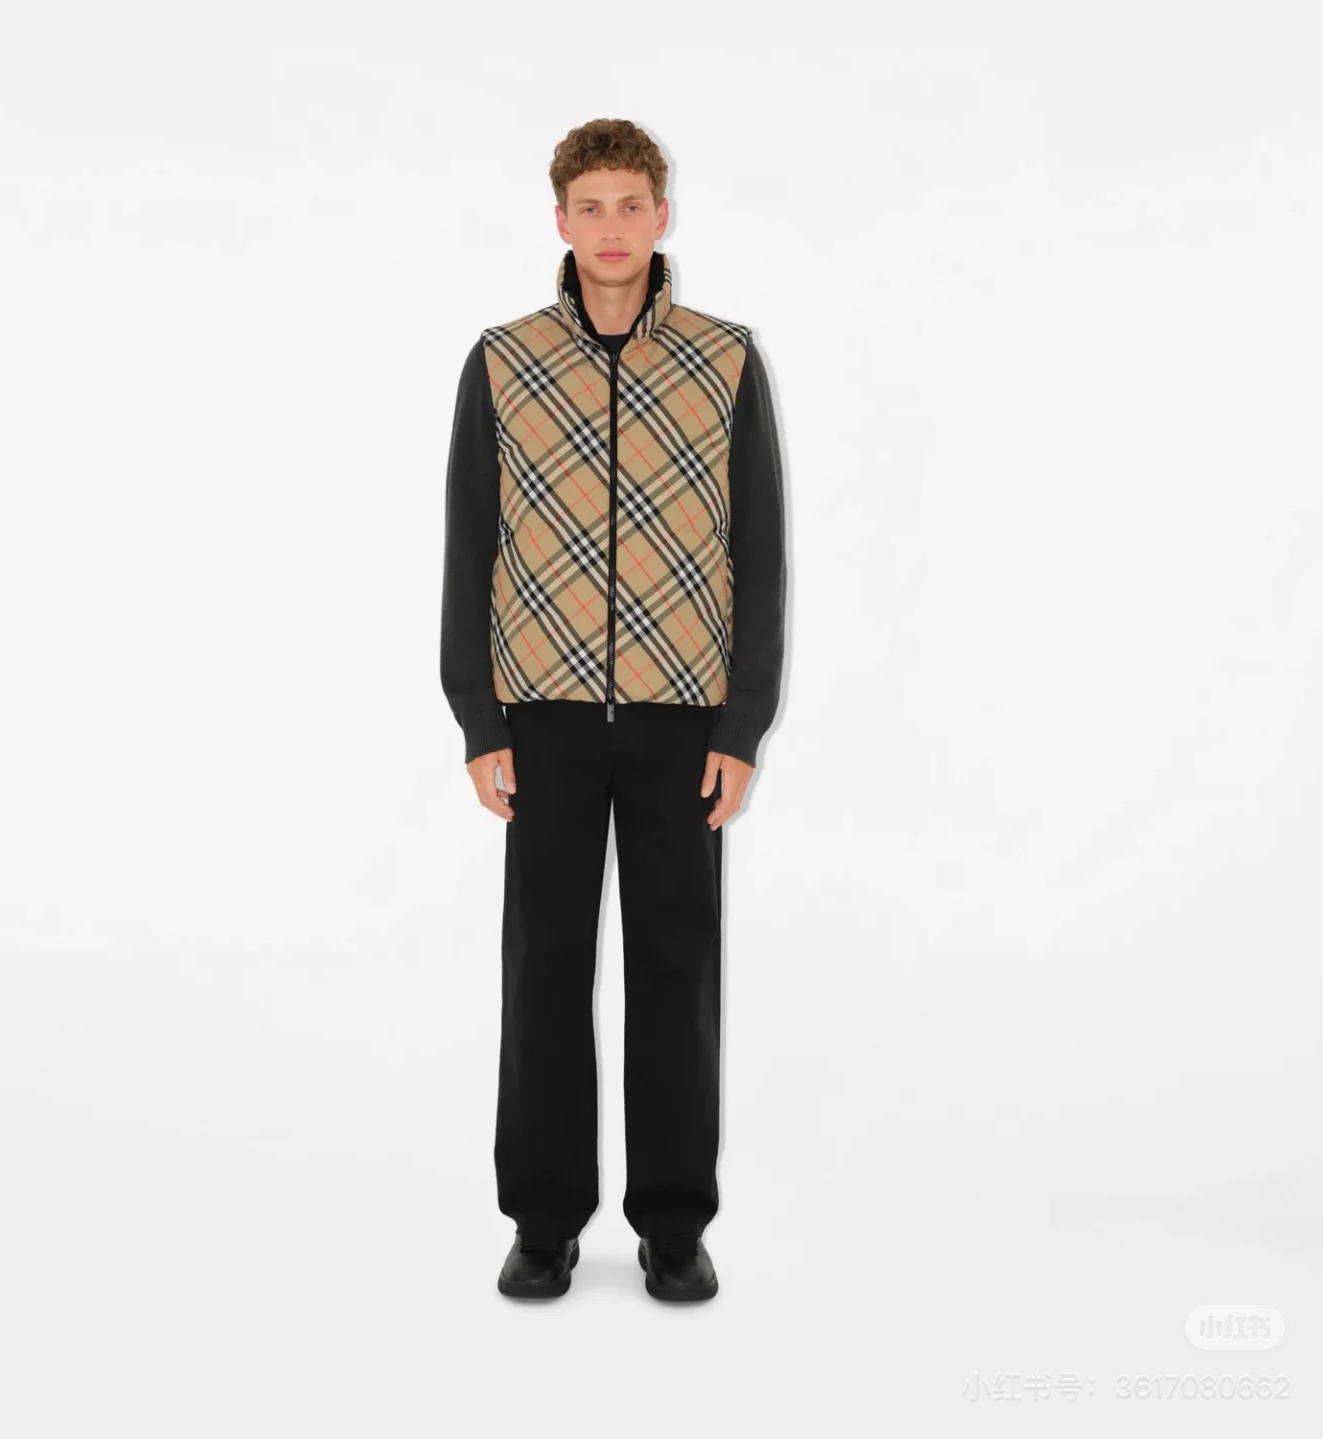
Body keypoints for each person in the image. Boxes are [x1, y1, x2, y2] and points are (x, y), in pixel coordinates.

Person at [439, 118, 787, 1302]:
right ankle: (543, 1220)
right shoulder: (504, 361)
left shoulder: (725, 360)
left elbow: (760, 554)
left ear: (662, 215)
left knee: (676, 970)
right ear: (560, 220)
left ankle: (674, 1223)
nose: (611, 227)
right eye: (589, 206)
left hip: (682, 716)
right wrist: (478, 715)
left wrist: (741, 724)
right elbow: (469, 544)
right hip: (540, 713)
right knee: (543, 967)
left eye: (631, 204)